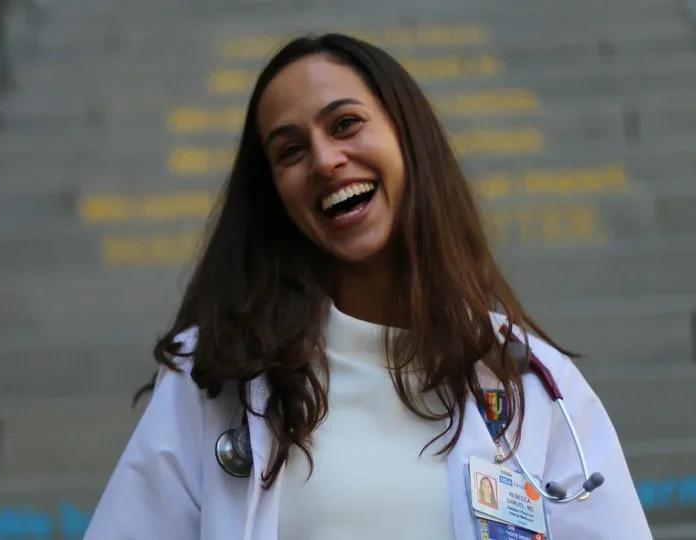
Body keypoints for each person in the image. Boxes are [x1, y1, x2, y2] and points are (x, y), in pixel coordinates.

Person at [83, 33, 652, 540]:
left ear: (407, 137)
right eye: (290, 151)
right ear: (276, 197)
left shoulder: (531, 383)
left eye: (345, 124)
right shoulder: (215, 376)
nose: (327, 160)